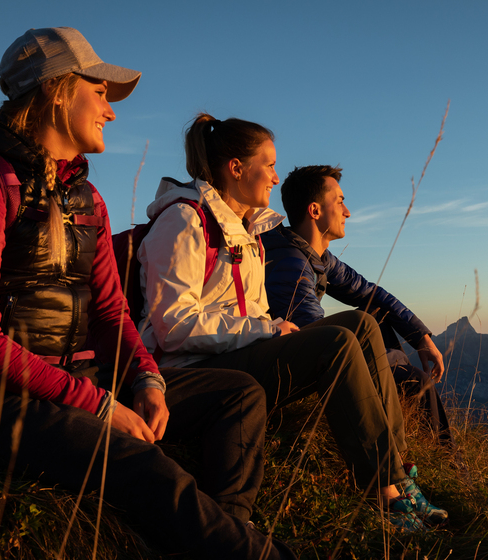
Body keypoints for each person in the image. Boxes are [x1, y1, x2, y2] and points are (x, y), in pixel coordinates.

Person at [0, 27, 293, 559]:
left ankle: (223, 536)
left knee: (238, 394)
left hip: (71, 381)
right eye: (99, 93)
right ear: (57, 91)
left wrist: (147, 380)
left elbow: (111, 313)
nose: (110, 112)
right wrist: (98, 405)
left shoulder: (86, 196)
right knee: (144, 467)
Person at [136, 113, 448, 531]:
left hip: (237, 353)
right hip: (191, 371)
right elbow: (174, 327)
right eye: (268, 165)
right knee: (335, 344)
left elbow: (365, 293)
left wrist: (418, 335)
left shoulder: (250, 231)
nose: (275, 176)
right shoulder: (184, 220)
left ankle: (398, 470)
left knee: (360, 323)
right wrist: (266, 330)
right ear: (236, 168)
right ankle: (384, 494)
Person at [262, 165, 451, 443]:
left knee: (375, 313)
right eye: (339, 202)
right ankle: (445, 457)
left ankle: (401, 404)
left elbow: (372, 294)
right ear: (314, 211)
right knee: (416, 381)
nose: (347, 212)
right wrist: (396, 361)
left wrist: (420, 338)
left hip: (323, 354)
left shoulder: (316, 257)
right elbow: (323, 341)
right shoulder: (291, 264)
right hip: (296, 370)